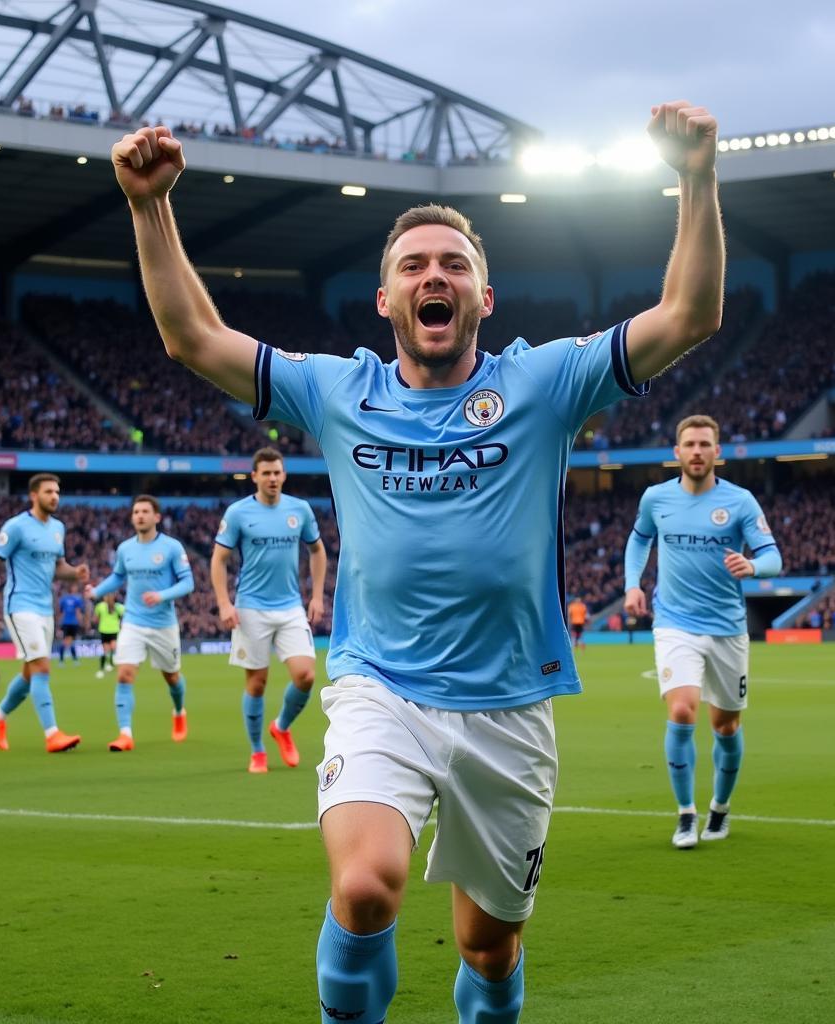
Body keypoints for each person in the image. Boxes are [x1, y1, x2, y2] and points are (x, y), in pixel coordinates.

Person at [113, 99, 725, 1024]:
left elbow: (690, 313)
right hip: (380, 685)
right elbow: (192, 339)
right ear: (385, 299)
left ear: (483, 297)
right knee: (365, 889)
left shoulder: (545, 381)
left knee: (489, 949)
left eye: (454, 265)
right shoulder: (336, 390)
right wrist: (149, 206)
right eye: (413, 265)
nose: (432, 276)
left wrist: (696, 174)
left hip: (510, 705)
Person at [623, 415, 782, 849]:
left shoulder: (741, 502)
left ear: (718, 452)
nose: (696, 451)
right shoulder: (656, 498)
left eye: (704, 444)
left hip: (727, 628)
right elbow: (639, 540)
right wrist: (632, 584)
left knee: (726, 725)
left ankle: (720, 808)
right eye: (689, 444)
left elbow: (773, 556)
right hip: (674, 623)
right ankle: (685, 815)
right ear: (677, 452)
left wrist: (752, 566)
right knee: (681, 712)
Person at [211, 447, 327, 774]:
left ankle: (282, 727)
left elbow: (317, 552)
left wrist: (316, 596)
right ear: (255, 477)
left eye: (277, 472)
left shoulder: (300, 510)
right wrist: (223, 602)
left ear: (284, 475)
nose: (273, 478)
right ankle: (258, 750)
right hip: (251, 608)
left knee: (306, 676)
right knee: (257, 683)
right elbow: (218, 560)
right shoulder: (237, 513)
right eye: (267, 473)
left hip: (290, 606)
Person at [0, 474, 88, 753]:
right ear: (34, 495)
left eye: (57, 491)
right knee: (41, 668)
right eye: (49, 491)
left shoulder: (58, 528)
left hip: (45, 608)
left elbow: (58, 567)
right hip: (20, 606)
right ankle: (52, 734)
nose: (55, 496)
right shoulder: (17, 527)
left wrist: (75, 573)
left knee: (29, 673)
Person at [85, 495, 194, 751]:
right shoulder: (125, 549)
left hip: (163, 624)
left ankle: (179, 711)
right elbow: (117, 577)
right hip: (133, 622)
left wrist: (162, 595)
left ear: (156, 517)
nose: (140, 516)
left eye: (145, 511)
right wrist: (96, 592)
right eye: (136, 512)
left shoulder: (172, 547)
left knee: (172, 677)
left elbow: (188, 583)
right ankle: (125, 734)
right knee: (124, 674)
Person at [94, 592, 125, 677]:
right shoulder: (118, 606)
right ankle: (110, 663)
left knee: (107, 650)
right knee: (112, 648)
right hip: (113, 630)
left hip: (104, 630)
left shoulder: (100, 606)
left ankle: (102, 668)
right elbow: (125, 614)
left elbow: (96, 619)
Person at [57, 584, 85, 665]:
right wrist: (81, 622)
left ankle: (63, 660)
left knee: (67, 641)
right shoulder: (77, 599)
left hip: (66, 623)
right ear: (72, 589)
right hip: (73, 623)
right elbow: (78, 612)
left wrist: (59, 624)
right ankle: (73, 660)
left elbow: (61, 612)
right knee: (69, 641)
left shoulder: (63, 599)